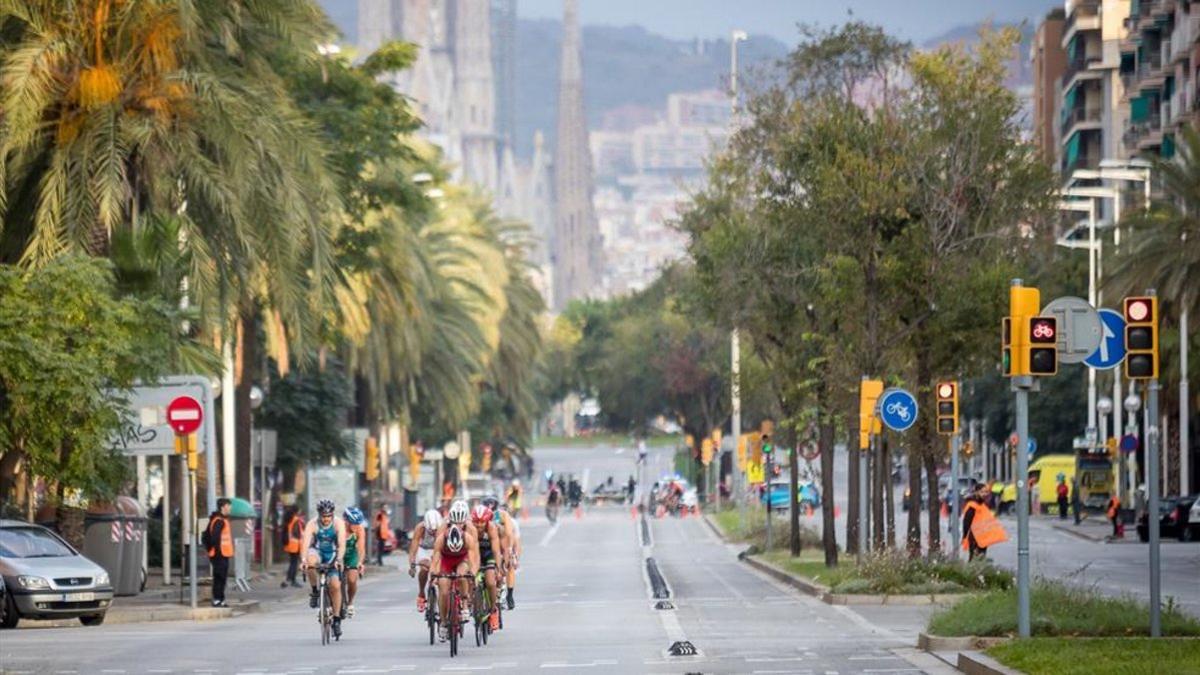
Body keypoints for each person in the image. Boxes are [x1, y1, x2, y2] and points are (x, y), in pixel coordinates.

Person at [430, 500, 479, 642]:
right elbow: (435, 560)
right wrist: (433, 575)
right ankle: (444, 622)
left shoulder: (468, 537)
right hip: (446, 560)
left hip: (462, 559)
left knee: (462, 575)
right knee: (444, 590)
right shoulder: (441, 538)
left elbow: (472, 559)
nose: (458, 525)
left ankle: (464, 603)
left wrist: (474, 574)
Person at [300, 499, 347, 639]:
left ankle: (337, 619)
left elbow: (342, 544)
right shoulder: (312, 524)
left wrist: (339, 560)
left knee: (335, 586)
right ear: (319, 515)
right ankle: (315, 591)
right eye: (323, 516)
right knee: (310, 562)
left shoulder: (338, 523)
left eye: (329, 516)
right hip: (318, 552)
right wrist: (303, 559)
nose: (326, 519)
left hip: (333, 554)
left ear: (332, 515)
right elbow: (306, 543)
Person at [483, 495, 521, 610]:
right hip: (489, 542)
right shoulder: (481, 515)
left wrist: (511, 553)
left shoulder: (505, 517)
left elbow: (511, 537)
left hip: (504, 542)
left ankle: (509, 594)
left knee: (509, 565)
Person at [471, 504, 504, 630]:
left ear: (487, 521)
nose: (479, 525)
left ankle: (493, 609)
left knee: (490, 582)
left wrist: (498, 568)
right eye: (476, 522)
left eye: (482, 522)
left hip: (488, 554)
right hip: (475, 555)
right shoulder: (470, 528)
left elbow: (496, 551)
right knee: (470, 578)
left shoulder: (491, 528)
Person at [408, 509, 442, 613]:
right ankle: (421, 593)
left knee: (441, 572)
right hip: (424, 549)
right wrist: (412, 564)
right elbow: (414, 546)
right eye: (430, 531)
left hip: (438, 549)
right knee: (424, 568)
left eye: (435, 531)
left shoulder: (443, 527)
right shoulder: (420, 527)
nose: (433, 532)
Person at [205, 498, 233, 608]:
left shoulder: (220, 519)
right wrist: (216, 551)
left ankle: (220, 599)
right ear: (223, 507)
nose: (230, 508)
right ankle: (217, 599)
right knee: (219, 577)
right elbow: (214, 538)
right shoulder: (219, 521)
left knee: (222, 577)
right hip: (219, 554)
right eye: (228, 505)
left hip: (222, 553)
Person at [341, 506, 367, 618]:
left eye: (358, 523)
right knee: (334, 580)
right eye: (353, 523)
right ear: (346, 522)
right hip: (338, 554)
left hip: (351, 554)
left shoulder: (359, 529)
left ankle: (350, 602)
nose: (356, 526)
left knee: (352, 579)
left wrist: (360, 562)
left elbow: (361, 548)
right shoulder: (339, 527)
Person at [961, 485, 993, 561]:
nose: (984, 494)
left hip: (982, 535)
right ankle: (972, 571)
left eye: (986, 492)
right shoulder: (972, 505)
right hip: (974, 536)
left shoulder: (982, 504)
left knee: (981, 557)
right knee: (975, 557)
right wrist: (965, 536)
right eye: (982, 492)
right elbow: (966, 522)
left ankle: (978, 571)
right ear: (976, 492)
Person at [281, 507, 305, 588]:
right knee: (294, 563)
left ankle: (288, 579)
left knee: (292, 562)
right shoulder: (296, 520)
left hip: (290, 543)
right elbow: (298, 533)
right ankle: (292, 580)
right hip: (296, 544)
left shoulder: (288, 519)